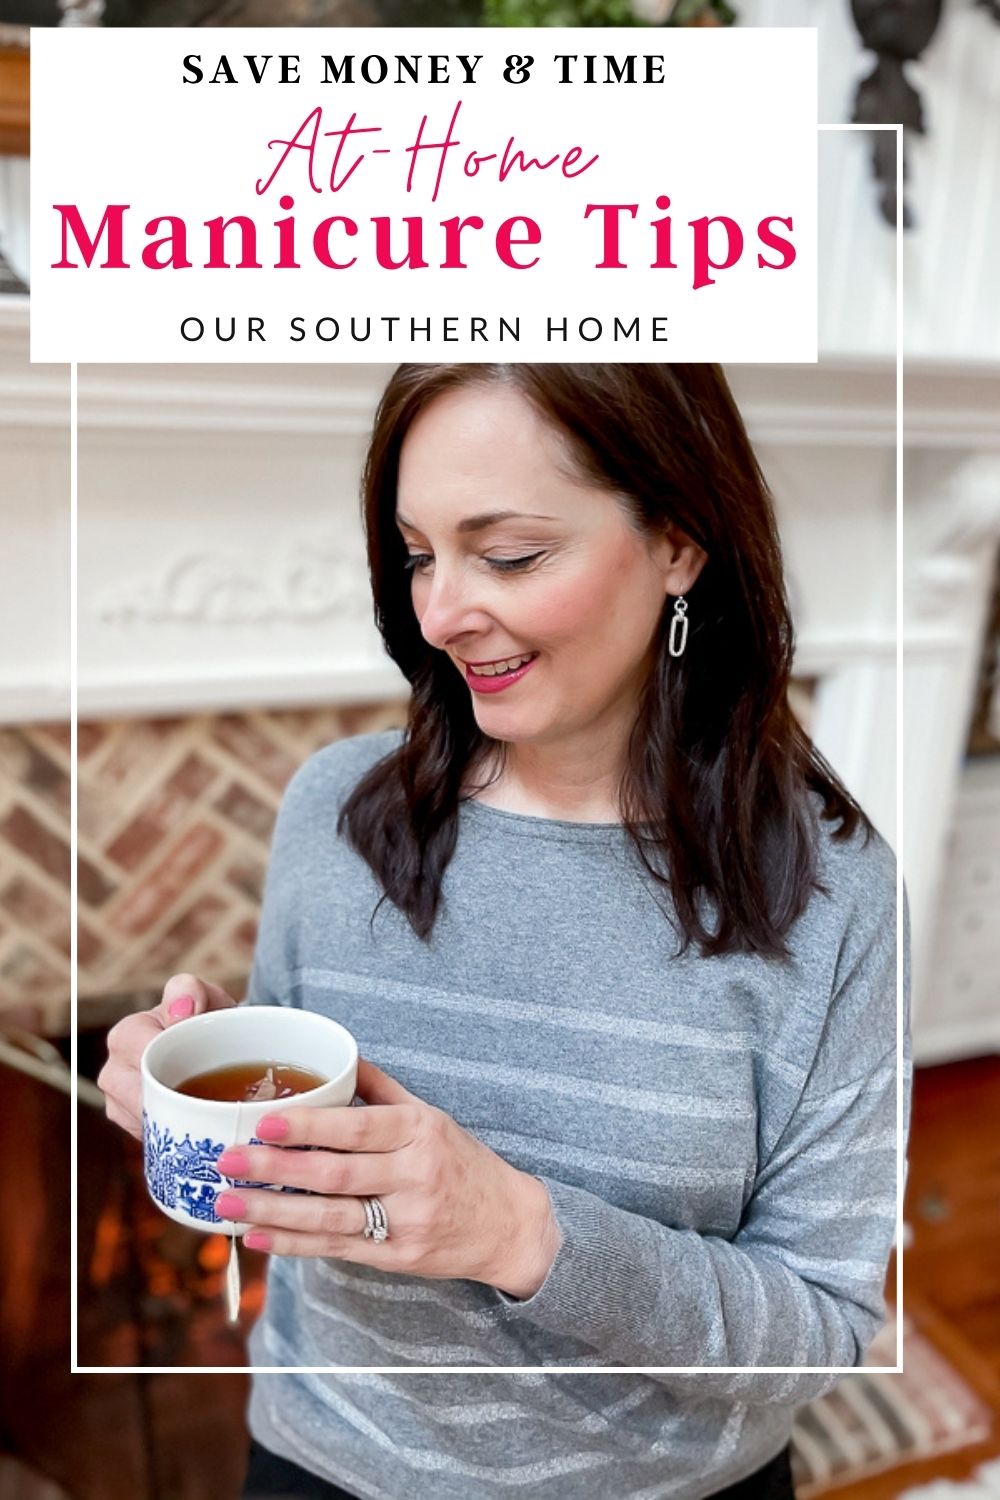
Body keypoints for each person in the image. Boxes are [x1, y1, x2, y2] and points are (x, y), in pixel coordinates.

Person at [100, 363, 911, 1500]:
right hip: (312, 1466)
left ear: (679, 541)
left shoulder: (831, 893)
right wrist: (203, 1094)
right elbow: (292, 1184)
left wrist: (519, 1232)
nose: (438, 614)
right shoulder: (335, 814)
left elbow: (814, 1332)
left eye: (511, 554)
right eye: (419, 554)